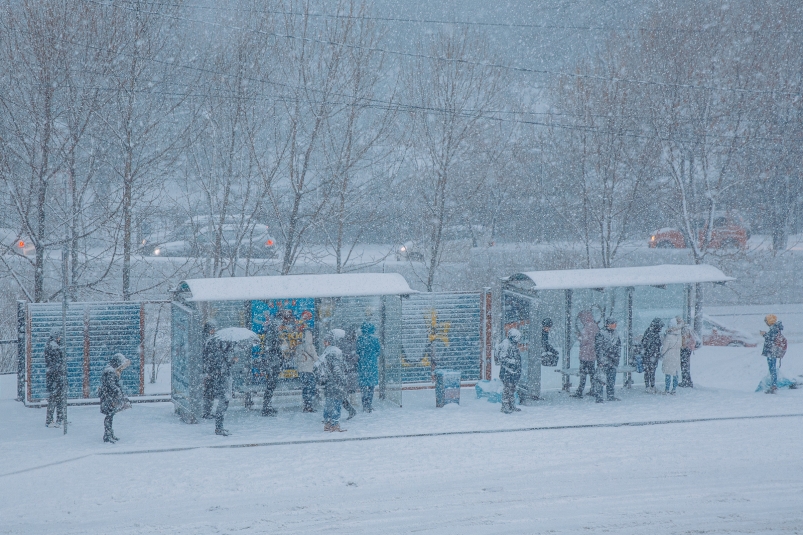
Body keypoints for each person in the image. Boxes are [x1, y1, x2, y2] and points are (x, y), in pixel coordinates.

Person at [260, 309, 296, 416]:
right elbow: (271, 347)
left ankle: (267, 406)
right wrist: (279, 347)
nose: (283, 324)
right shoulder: (273, 329)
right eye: (283, 321)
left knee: (271, 385)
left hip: (273, 362)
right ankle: (266, 408)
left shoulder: (274, 330)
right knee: (270, 385)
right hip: (272, 362)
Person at [318, 330, 348, 432]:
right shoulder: (336, 352)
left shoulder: (326, 351)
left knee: (329, 403)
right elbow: (337, 369)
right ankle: (335, 424)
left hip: (329, 383)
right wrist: (342, 380)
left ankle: (327, 423)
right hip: (335, 383)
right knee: (336, 404)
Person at [98, 353, 130, 443]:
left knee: (110, 415)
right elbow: (112, 385)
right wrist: (119, 393)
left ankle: (109, 434)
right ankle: (107, 436)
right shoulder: (110, 371)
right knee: (109, 415)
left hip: (108, 396)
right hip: (109, 397)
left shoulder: (110, 370)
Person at [209, 339, 237, 435]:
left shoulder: (221, 353)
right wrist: (231, 361)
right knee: (222, 404)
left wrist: (231, 361)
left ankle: (220, 427)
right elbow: (222, 368)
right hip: (222, 383)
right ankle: (219, 428)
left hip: (223, 382)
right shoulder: (220, 354)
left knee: (224, 404)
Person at [594, 318, 622, 403]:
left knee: (611, 379)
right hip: (604, 361)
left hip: (613, 361)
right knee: (601, 379)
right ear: (608, 324)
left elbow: (618, 347)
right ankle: (599, 397)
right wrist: (601, 360)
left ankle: (610, 395)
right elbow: (598, 348)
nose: (615, 325)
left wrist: (616, 358)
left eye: (615, 323)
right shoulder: (601, 333)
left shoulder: (616, 334)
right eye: (613, 323)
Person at [572, 311, 599, 398]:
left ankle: (580, 391)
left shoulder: (587, 327)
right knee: (592, 373)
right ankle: (593, 389)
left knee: (583, 374)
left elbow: (584, 340)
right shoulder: (595, 326)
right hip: (592, 354)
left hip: (585, 355)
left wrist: (579, 336)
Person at [496, 328, 522, 413]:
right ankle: (505, 407)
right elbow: (502, 358)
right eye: (517, 338)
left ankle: (511, 405)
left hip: (512, 371)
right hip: (507, 371)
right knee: (507, 389)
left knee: (512, 389)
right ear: (513, 337)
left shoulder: (512, 344)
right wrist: (513, 362)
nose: (518, 340)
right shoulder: (506, 344)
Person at [356, 322, 381, 412]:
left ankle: (364, 405)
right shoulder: (375, 339)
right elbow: (378, 351)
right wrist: (372, 356)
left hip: (362, 365)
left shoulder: (360, 339)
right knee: (371, 386)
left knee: (363, 387)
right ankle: (369, 404)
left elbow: (357, 351)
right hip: (372, 365)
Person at [44, 329, 66, 428]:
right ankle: (53, 420)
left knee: (56, 399)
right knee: (55, 399)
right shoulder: (53, 347)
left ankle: (56, 419)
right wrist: (59, 372)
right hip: (55, 378)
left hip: (54, 378)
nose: (60, 338)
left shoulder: (52, 346)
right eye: (59, 336)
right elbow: (55, 363)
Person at [295, 329, 318, 412]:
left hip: (301, 371)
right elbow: (315, 358)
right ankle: (309, 406)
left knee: (305, 389)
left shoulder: (299, 346)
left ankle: (305, 406)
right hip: (309, 370)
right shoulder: (311, 347)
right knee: (311, 389)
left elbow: (296, 359)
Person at [760, 314, 784, 394]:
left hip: (772, 351)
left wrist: (764, 334)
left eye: (766, 321)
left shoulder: (774, 328)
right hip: (773, 351)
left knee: (772, 369)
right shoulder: (776, 328)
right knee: (772, 368)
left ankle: (774, 386)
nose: (766, 323)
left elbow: (770, 339)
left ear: (770, 321)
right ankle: (773, 385)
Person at [339, 327, 359, 420]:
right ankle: (351, 407)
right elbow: (355, 357)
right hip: (350, 370)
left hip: (345, 371)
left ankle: (350, 409)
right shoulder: (354, 344)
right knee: (343, 393)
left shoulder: (342, 343)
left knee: (340, 394)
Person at [641, 318, 664, 394]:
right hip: (650, 356)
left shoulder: (650, 332)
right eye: (660, 327)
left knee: (650, 371)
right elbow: (649, 344)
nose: (660, 329)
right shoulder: (651, 333)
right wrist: (654, 353)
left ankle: (650, 386)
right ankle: (649, 386)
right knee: (650, 371)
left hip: (650, 356)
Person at [661, 317, 683, 395]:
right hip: (677, 355)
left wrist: (661, 353)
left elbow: (664, 348)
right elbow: (680, 345)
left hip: (669, 355)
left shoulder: (669, 336)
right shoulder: (679, 336)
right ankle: (674, 389)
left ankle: (667, 389)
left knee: (668, 373)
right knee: (675, 373)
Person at [201, 320, 218, 419]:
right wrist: (207, 371)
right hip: (208, 370)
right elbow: (206, 357)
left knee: (209, 392)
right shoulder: (206, 340)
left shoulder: (208, 338)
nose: (214, 330)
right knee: (208, 392)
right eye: (212, 329)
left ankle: (207, 411)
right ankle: (206, 412)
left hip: (209, 369)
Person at [679, 319, 696, 388]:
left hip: (685, 349)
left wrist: (682, 346)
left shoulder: (684, 329)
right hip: (689, 349)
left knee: (684, 366)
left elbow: (684, 341)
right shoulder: (688, 328)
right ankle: (688, 381)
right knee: (686, 366)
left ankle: (685, 381)